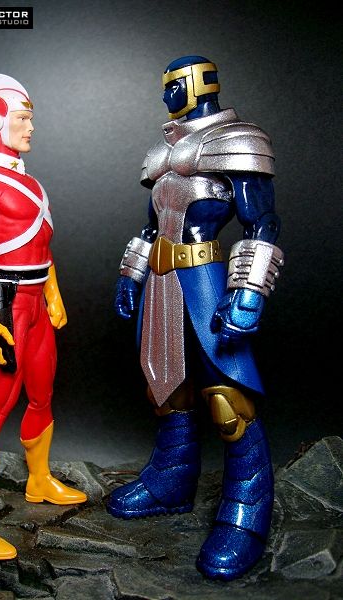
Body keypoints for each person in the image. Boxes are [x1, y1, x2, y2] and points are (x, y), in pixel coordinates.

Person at [107, 56, 284, 581]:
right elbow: (150, 226)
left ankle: (247, 507)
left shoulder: (237, 140)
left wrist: (248, 290)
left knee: (227, 397)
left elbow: (262, 222)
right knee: (165, 386)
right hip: (161, 282)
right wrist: (132, 273)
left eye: (171, 87)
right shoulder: (164, 153)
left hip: (204, 277)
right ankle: (171, 479)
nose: (165, 97)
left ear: (195, 85)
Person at [0, 73, 86, 561]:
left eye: (30, 118)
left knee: (42, 394)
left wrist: (54, 292)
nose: (31, 127)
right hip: (8, 306)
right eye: (23, 118)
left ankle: (39, 479)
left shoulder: (30, 183)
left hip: (38, 304)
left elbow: (41, 245)